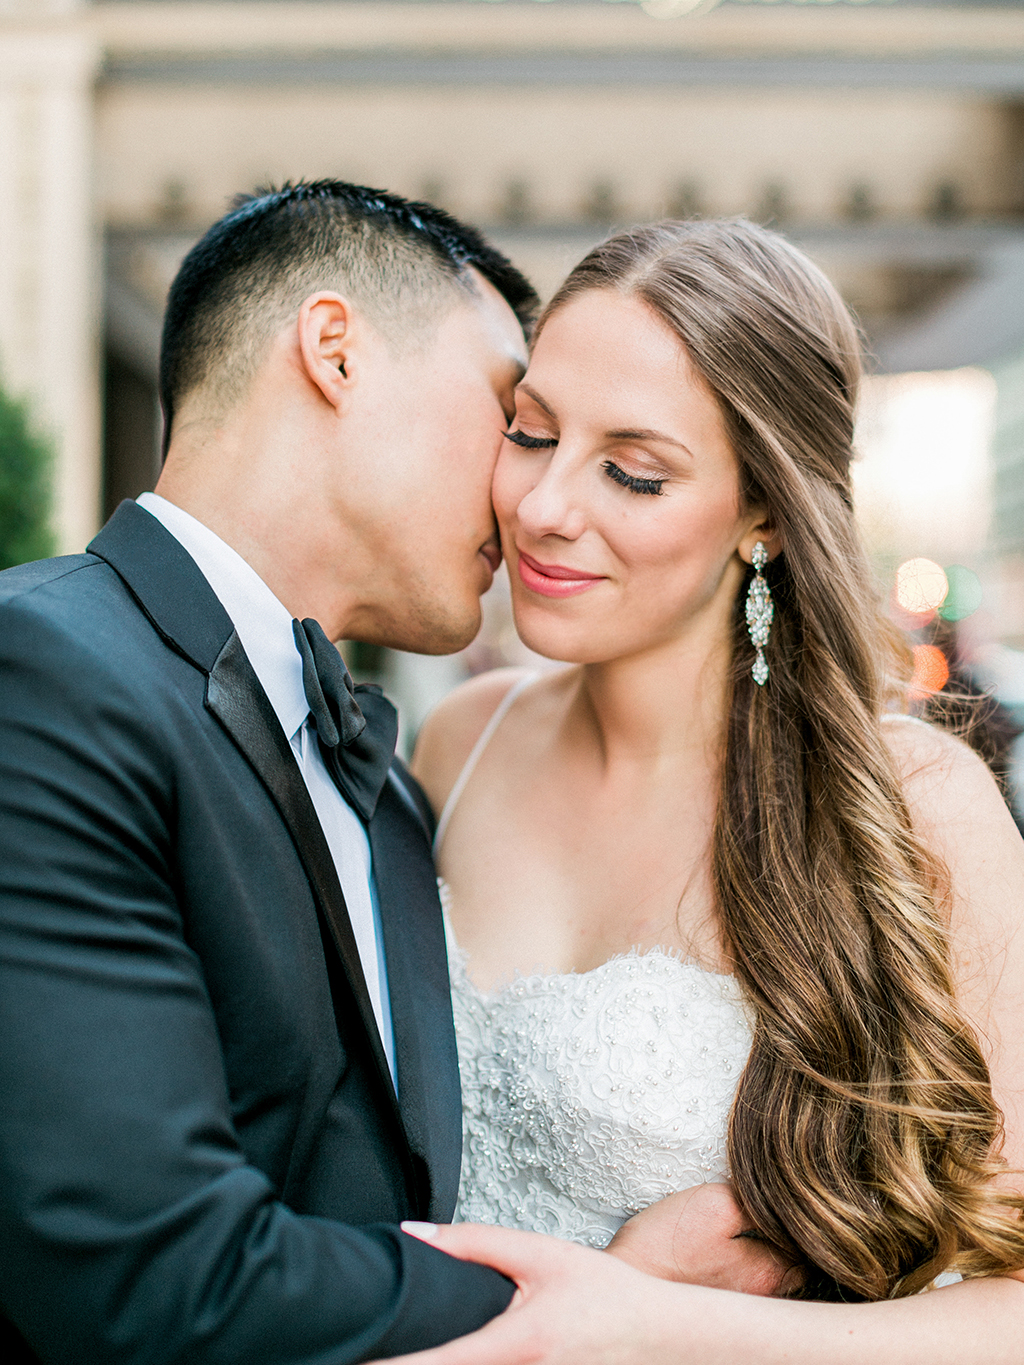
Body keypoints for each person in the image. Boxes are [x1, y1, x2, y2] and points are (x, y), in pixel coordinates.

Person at [400, 219, 1024, 1363]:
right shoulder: (456, 744)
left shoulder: (914, 803)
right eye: (531, 434)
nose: (543, 506)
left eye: (633, 471)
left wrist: (647, 1321)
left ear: (766, 514)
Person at [0, 180, 540, 1363]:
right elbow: (150, 1271)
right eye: (507, 409)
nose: (527, 486)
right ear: (335, 350)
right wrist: (595, 1301)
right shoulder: (34, 669)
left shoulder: (391, 789)